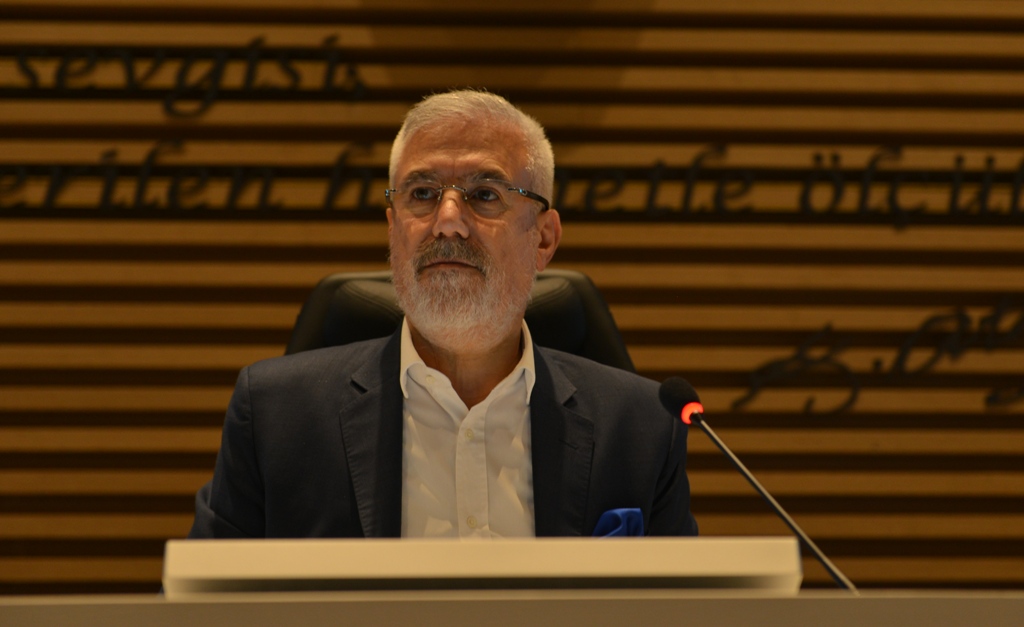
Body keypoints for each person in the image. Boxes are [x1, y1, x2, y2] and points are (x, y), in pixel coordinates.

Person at [188, 89, 697, 539]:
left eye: (485, 195)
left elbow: (679, 606)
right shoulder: (273, 417)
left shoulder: (642, 429)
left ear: (543, 238)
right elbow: (203, 603)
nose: (448, 221)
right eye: (423, 194)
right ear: (393, 230)